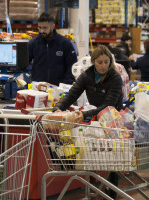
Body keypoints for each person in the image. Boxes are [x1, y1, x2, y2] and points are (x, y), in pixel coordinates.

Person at [53, 45, 123, 199]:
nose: (103, 65)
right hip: (94, 118)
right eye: (99, 62)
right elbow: (71, 94)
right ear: (93, 62)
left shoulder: (115, 78)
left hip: (113, 120)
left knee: (113, 157)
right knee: (93, 154)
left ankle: (112, 193)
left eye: (106, 62)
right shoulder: (87, 75)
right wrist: (57, 109)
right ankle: (94, 188)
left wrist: (84, 113)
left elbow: (108, 106)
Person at [28, 12, 77, 86]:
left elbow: (72, 65)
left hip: (59, 88)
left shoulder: (65, 43)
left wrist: (65, 84)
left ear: (53, 26)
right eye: (39, 27)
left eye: (45, 28)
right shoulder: (33, 43)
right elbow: (24, 63)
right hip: (38, 88)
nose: (41, 31)